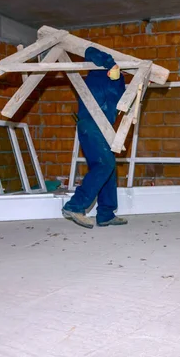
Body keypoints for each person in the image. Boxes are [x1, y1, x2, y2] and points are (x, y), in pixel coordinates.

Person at [61, 46, 128, 229]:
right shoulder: (97, 73)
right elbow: (89, 50)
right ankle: (75, 206)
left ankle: (106, 213)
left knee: (109, 168)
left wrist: (117, 77)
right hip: (91, 124)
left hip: (105, 128)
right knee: (104, 164)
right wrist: (110, 64)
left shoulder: (119, 82)